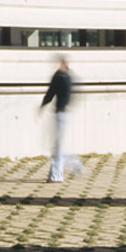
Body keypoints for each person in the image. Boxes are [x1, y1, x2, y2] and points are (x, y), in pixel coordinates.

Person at [41, 56, 83, 184]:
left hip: (61, 113)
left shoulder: (62, 77)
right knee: (56, 145)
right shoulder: (65, 77)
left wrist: (43, 105)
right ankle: (74, 163)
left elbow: (51, 93)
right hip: (61, 113)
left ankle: (56, 175)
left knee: (57, 146)